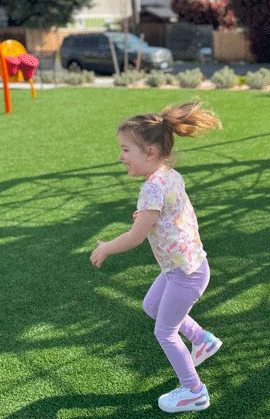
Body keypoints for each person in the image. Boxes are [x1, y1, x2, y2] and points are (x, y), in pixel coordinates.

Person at [90, 99, 223, 413]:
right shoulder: (169, 174)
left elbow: (136, 236)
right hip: (185, 267)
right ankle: (202, 339)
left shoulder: (152, 189)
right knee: (151, 306)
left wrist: (106, 247)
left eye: (125, 150)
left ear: (149, 153)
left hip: (185, 273)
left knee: (164, 332)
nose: (121, 157)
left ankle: (194, 391)